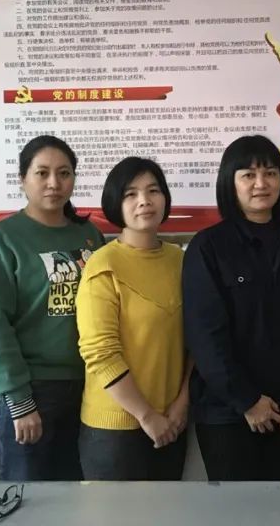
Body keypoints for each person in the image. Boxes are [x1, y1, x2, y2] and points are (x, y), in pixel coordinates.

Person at [182, 134, 280, 481]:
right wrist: (247, 400)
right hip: (228, 413)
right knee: (235, 508)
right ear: (230, 184)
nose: (261, 183)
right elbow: (205, 336)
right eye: (248, 175)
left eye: (270, 173)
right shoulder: (208, 247)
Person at [0, 135, 104, 481]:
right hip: (31, 390)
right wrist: (20, 402)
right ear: (22, 179)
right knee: (28, 500)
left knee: (79, 497)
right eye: (42, 173)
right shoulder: (2, 239)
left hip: (88, 387)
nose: (54, 183)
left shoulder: (88, 234)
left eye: (64, 173)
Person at [76, 157, 190, 480]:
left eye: (153, 190)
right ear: (116, 203)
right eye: (131, 194)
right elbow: (100, 353)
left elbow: (198, 338)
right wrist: (146, 415)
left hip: (173, 422)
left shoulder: (181, 261)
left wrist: (182, 403)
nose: (144, 201)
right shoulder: (103, 264)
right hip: (115, 430)